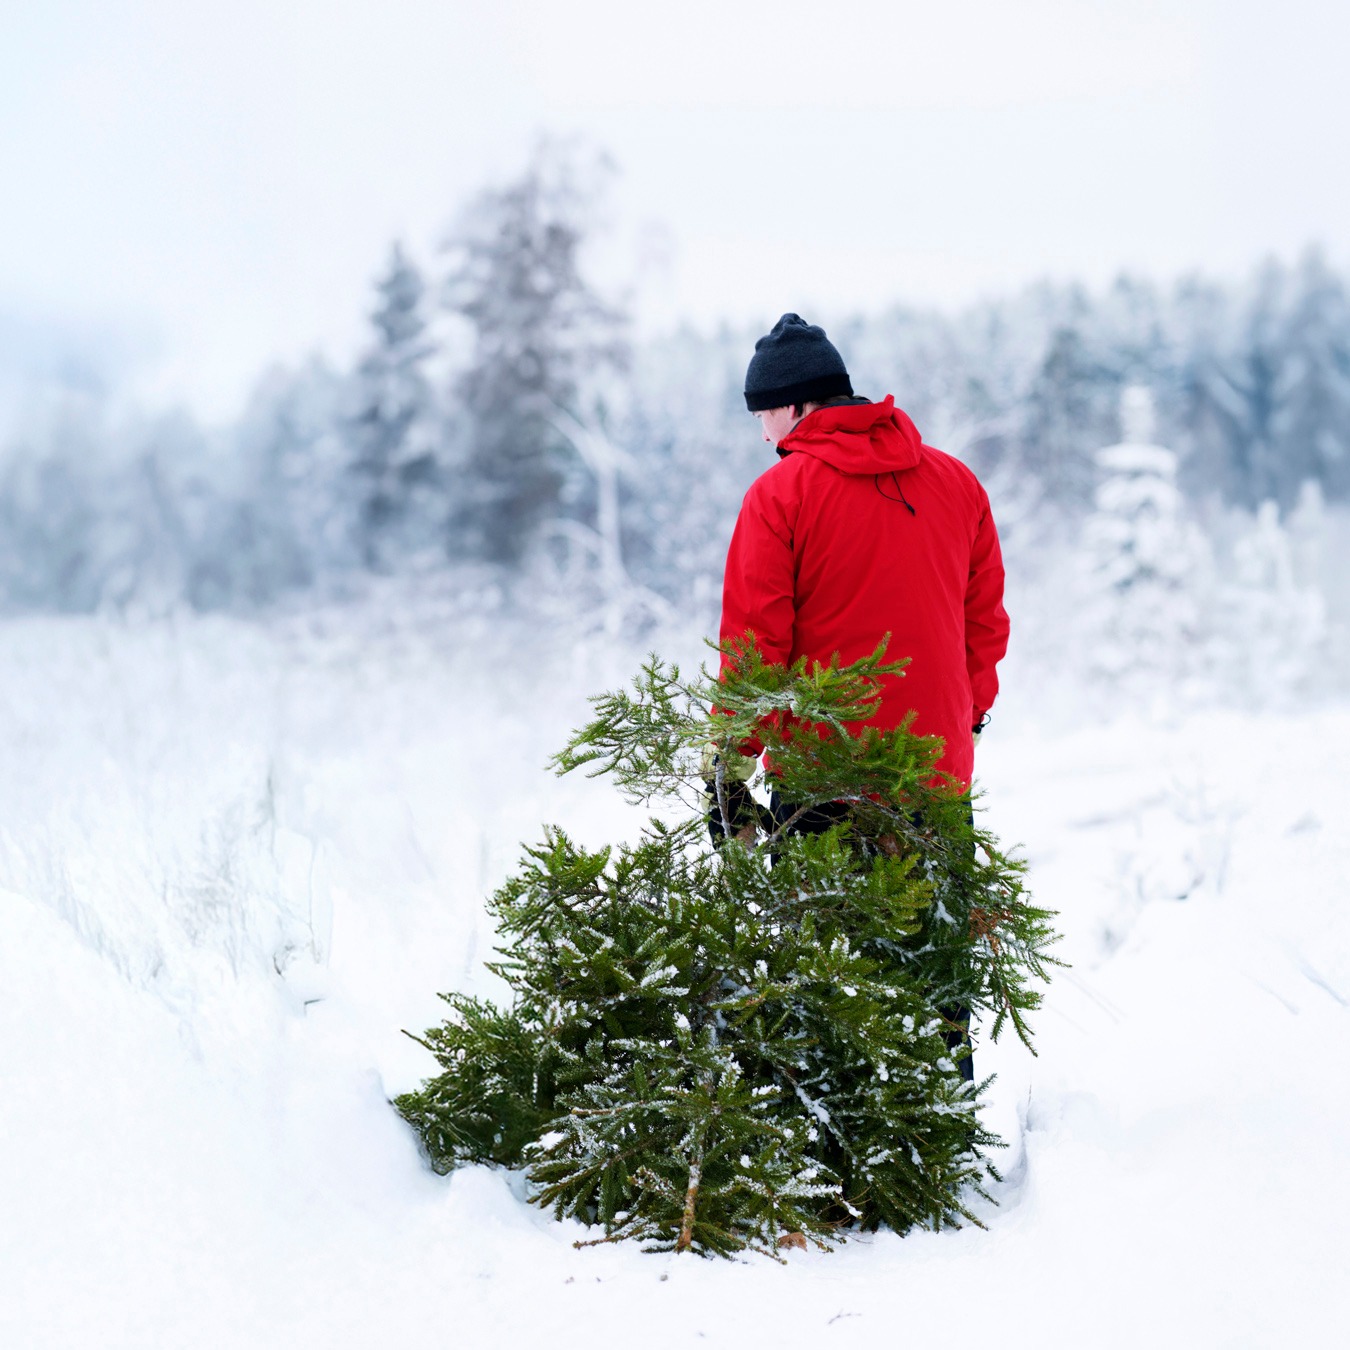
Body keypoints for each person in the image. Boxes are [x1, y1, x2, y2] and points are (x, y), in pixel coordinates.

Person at [714, 312, 1011, 1078]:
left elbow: (755, 648)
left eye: (763, 415)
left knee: (831, 991)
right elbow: (982, 625)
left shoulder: (779, 495)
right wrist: (966, 722)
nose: (763, 434)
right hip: (935, 779)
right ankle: (945, 1130)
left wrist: (728, 769)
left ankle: (838, 1146)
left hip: (825, 785)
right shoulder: (957, 483)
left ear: (795, 406)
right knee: (936, 982)